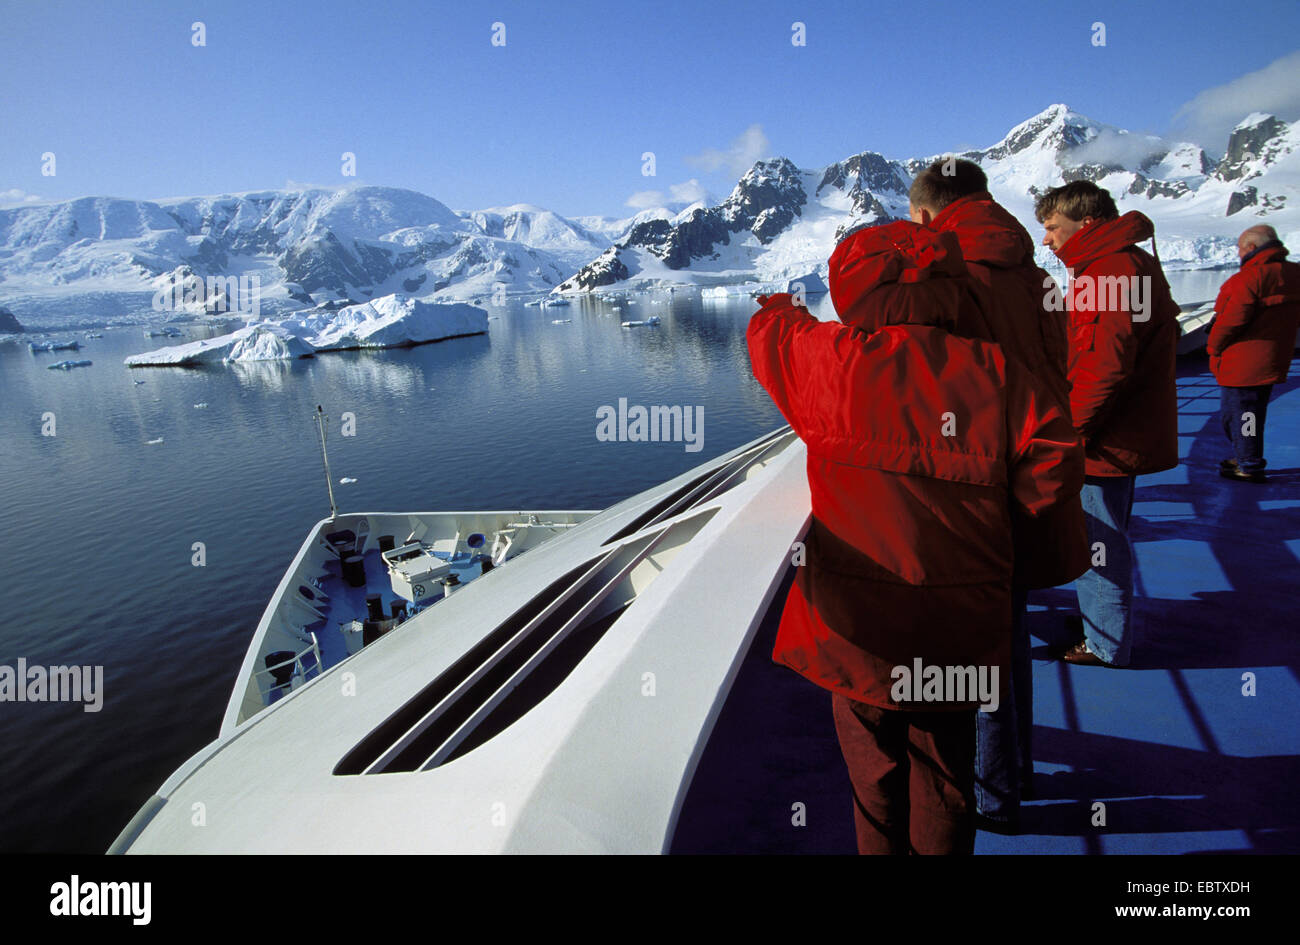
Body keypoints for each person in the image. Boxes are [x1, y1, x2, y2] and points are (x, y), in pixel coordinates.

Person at [747, 221, 1084, 854]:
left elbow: (771, 338)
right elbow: (1055, 464)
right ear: (950, 288)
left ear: (853, 289)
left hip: (859, 627)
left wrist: (780, 305)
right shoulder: (994, 370)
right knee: (947, 778)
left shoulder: (831, 360)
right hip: (957, 621)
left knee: (873, 775)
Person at [910, 159, 1088, 831]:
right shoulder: (1031, 271)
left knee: (974, 644)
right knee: (1007, 630)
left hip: (975, 483)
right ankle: (1018, 769)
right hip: (1030, 473)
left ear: (927, 215)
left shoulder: (949, 272)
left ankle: (993, 793)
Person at [1035, 181, 1179, 668]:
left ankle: (1106, 643)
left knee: (1097, 539)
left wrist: (1069, 437)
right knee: (1103, 533)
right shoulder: (1130, 262)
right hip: (1124, 429)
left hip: (1104, 440)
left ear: (1087, 224)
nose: (1047, 240)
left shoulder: (1110, 270)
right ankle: (1103, 625)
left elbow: (1104, 367)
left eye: (1053, 228)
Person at [1208, 225, 1300, 483]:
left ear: (1250, 247)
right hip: (1273, 359)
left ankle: (1249, 463)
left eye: (1239, 248)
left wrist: (1213, 347)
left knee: (1242, 415)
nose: (1238, 253)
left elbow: (1229, 321)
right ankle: (1245, 455)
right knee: (1249, 413)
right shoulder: (1294, 273)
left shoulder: (1248, 280)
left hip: (1243, 364)